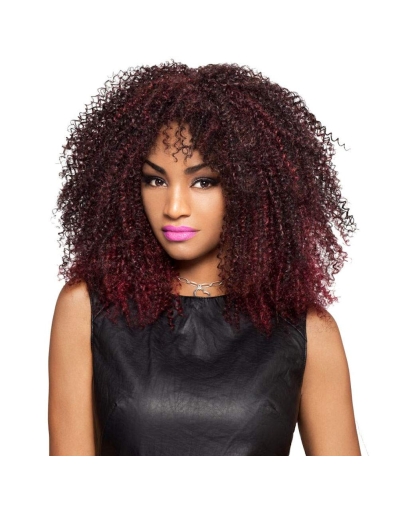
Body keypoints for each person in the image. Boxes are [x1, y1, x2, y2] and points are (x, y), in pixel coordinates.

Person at [48, 62, 361, 456]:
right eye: (155, 180)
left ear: (251, 188)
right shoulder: (88, 310)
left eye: (203, 181)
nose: (174, 207)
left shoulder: (307, 330)